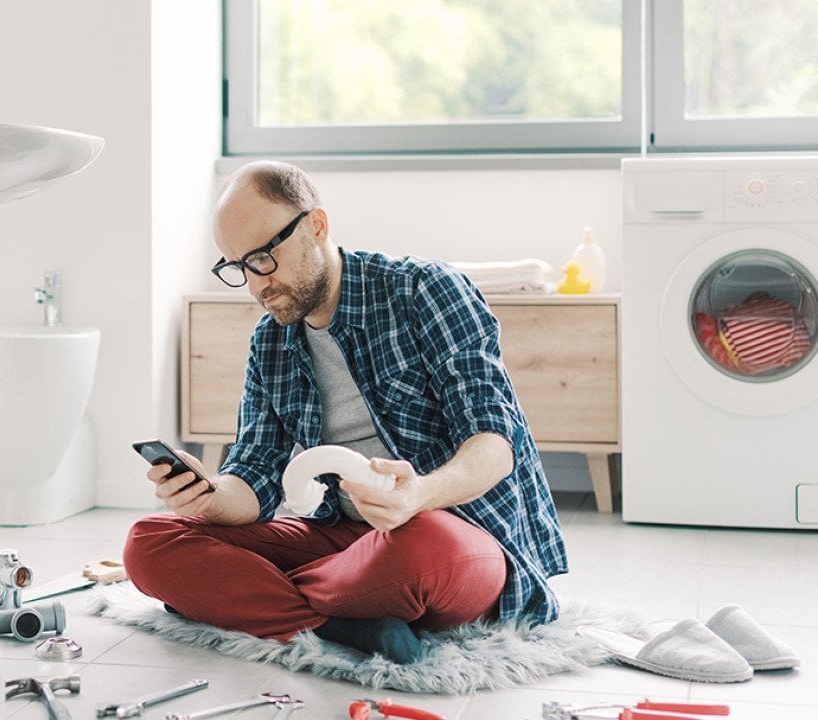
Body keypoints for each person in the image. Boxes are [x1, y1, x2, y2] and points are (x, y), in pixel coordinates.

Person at [122, 160, 567, 663]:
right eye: (238, 266)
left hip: (446, 529)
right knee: (150, 542)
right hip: (342, 539)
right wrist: (206, 497)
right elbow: (253, 479)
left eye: (264, 257)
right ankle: (339, 623)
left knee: (422, 551)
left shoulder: (423, 290)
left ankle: (257, 601)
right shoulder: (270, 341)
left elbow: (495, 444)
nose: (255, 285)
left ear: (316, 226)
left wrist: (419, 493)